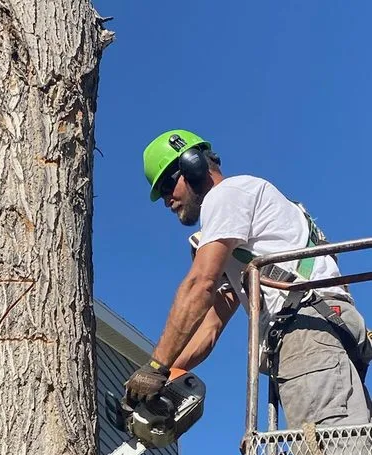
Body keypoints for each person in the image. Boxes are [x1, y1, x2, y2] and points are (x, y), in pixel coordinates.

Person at [125, 129, 372, 428]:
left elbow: (200, 284)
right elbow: (212, 324)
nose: (167, 200)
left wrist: (155, 365)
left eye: (167, 186)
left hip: (306, 331)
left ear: (193, 166)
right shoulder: (251, 220)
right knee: (347, 443)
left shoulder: (227, 195)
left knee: (330, 450)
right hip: (327, 327)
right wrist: (166, 375)